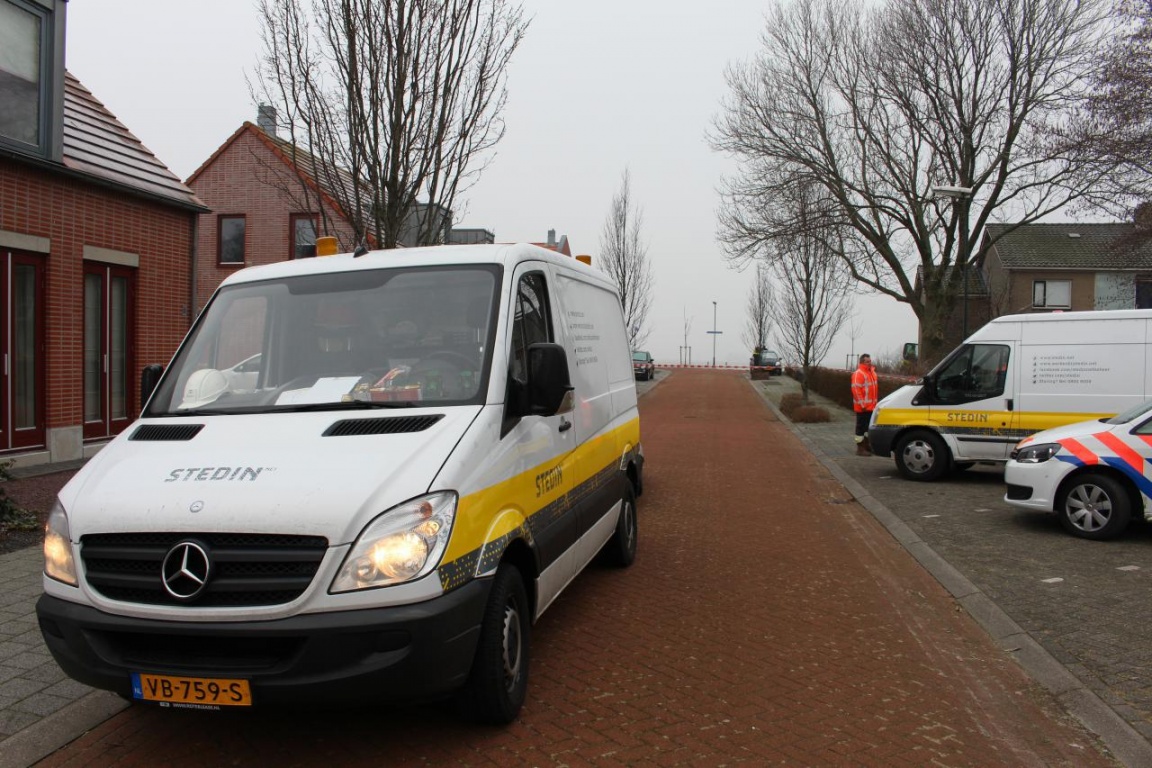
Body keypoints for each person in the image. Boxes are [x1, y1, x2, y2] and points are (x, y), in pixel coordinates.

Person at [851, 353, 878, 456]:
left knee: (867, 428)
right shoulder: (859, 374)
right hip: (863, 408)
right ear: (862, 362)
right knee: (860, 428)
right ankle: (860, 448)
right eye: (867, 361)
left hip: (871, 407)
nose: (869, 363)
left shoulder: (872, 373)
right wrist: (862, 405)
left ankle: (866, 446)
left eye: (870, 361)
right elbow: (856, 390)